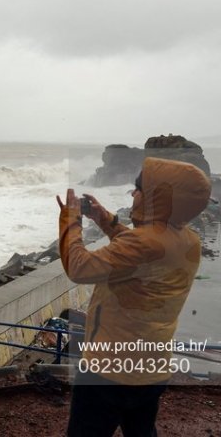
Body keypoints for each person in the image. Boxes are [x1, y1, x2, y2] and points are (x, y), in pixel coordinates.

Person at [57, 157, 211, 437]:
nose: (132, 194)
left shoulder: (143, 243)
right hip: (152, 366)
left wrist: (70, 222)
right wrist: (104, 219)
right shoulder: (188, 239)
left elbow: (79, 267)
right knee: (141, 430)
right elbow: (140, 252)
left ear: (158, 197)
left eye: (138, 190)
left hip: (108, 371)